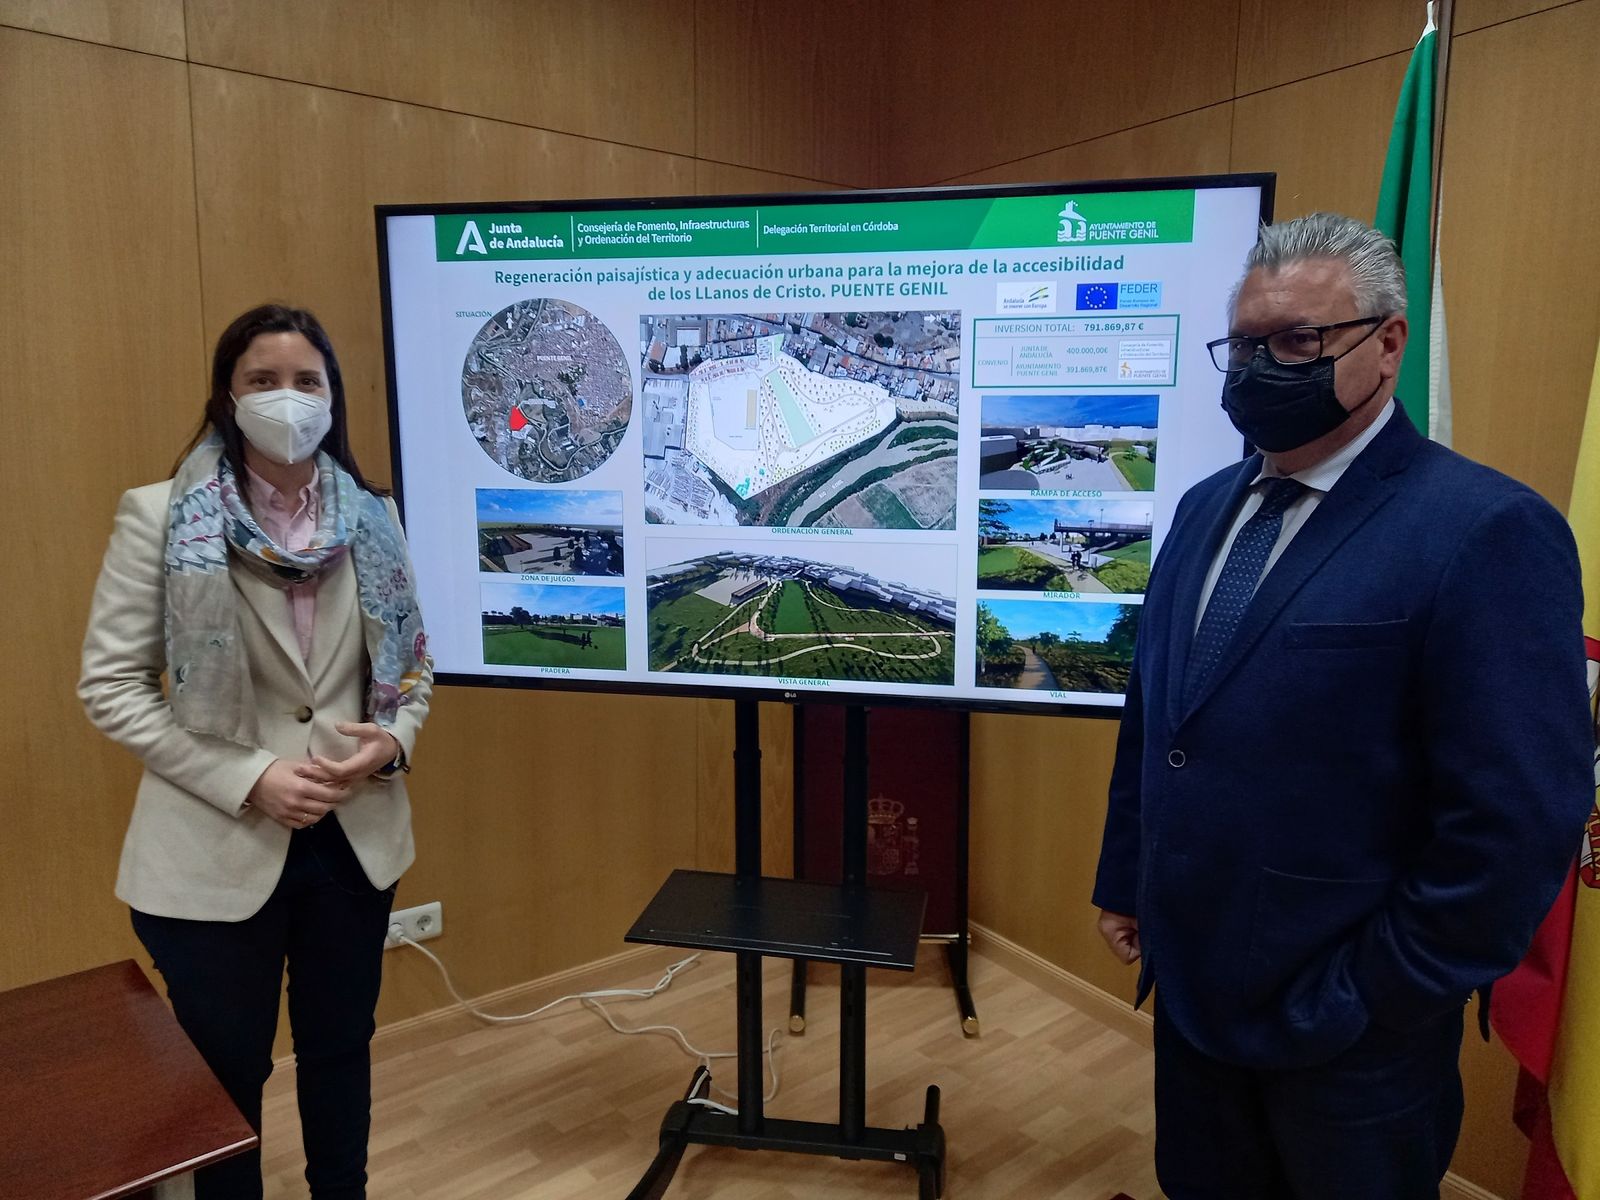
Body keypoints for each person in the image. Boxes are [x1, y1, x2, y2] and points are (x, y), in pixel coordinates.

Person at [1091, 213, 1594, 1199]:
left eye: (1298, 343)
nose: (1260, 368)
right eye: (1243, 346)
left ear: (1387, 343)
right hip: (1192, 994)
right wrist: (1127, 875)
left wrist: (1371, 994)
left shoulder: (1485, 530)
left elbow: (1517, 819)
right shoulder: (1202, 509)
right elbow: (1160, 721)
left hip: (1350, 1036)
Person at [79, 304, 432, 1200]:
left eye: (306, 381)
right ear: (227, 397)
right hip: (213, 848)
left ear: (332, 397)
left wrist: (390, 740)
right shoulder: (161, 517)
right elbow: (111, 687)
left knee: (340, 1054)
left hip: (354, 840)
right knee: (222, 1082)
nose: (287, 399)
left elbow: (413, 670)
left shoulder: (377, 518)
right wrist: (251, 777)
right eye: (261, 381)